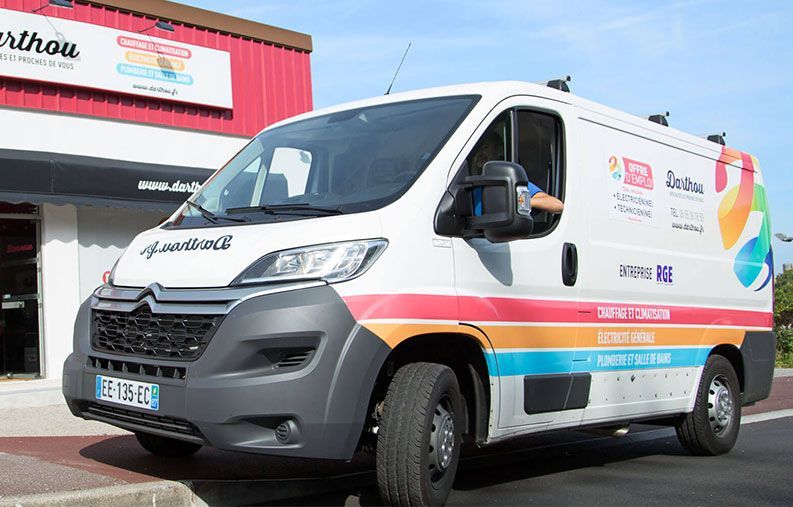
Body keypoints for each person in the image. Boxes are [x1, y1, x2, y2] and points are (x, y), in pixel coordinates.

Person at [468, 131, 564, 214]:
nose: (479, 154)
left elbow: (556, 205)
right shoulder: (468, 183)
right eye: (477, 150)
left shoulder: (509, 181)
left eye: (485, 148)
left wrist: (518, 203)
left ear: (500, 151)